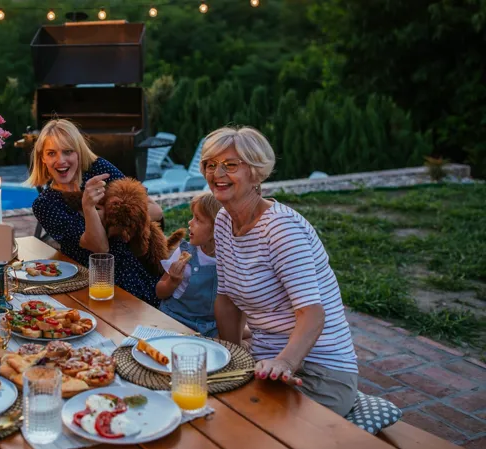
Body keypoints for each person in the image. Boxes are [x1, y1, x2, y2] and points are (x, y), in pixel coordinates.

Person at [206, 126, 358, 416]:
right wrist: (232, 357)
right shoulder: (224, 220)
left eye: (230, 165)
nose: (217, 174)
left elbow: (312, 314)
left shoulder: (282, 229)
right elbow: (226, 300)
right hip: (265, 360)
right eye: (210, 165)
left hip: (319, 372)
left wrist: (285, 363)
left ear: (256, 172)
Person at [27, 119, 165, 306]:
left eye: (68, 151)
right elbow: (100, 248)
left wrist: (105, 216)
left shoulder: (99, 169)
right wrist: (89, 207)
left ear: (79, 152)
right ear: (42, 158)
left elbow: (155, 210)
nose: (60, 160)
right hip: (93, 283)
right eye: (51, 153)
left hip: (137, 269)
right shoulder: (45, 204)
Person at [156, 193, 222, 337]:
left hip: (209, 326)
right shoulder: (184, 252)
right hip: (175, 320)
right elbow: (159, 291)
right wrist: (172, 282)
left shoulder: (229, 259)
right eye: (193, 217)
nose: (190, 223)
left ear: (218, 227)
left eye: (198, 219)